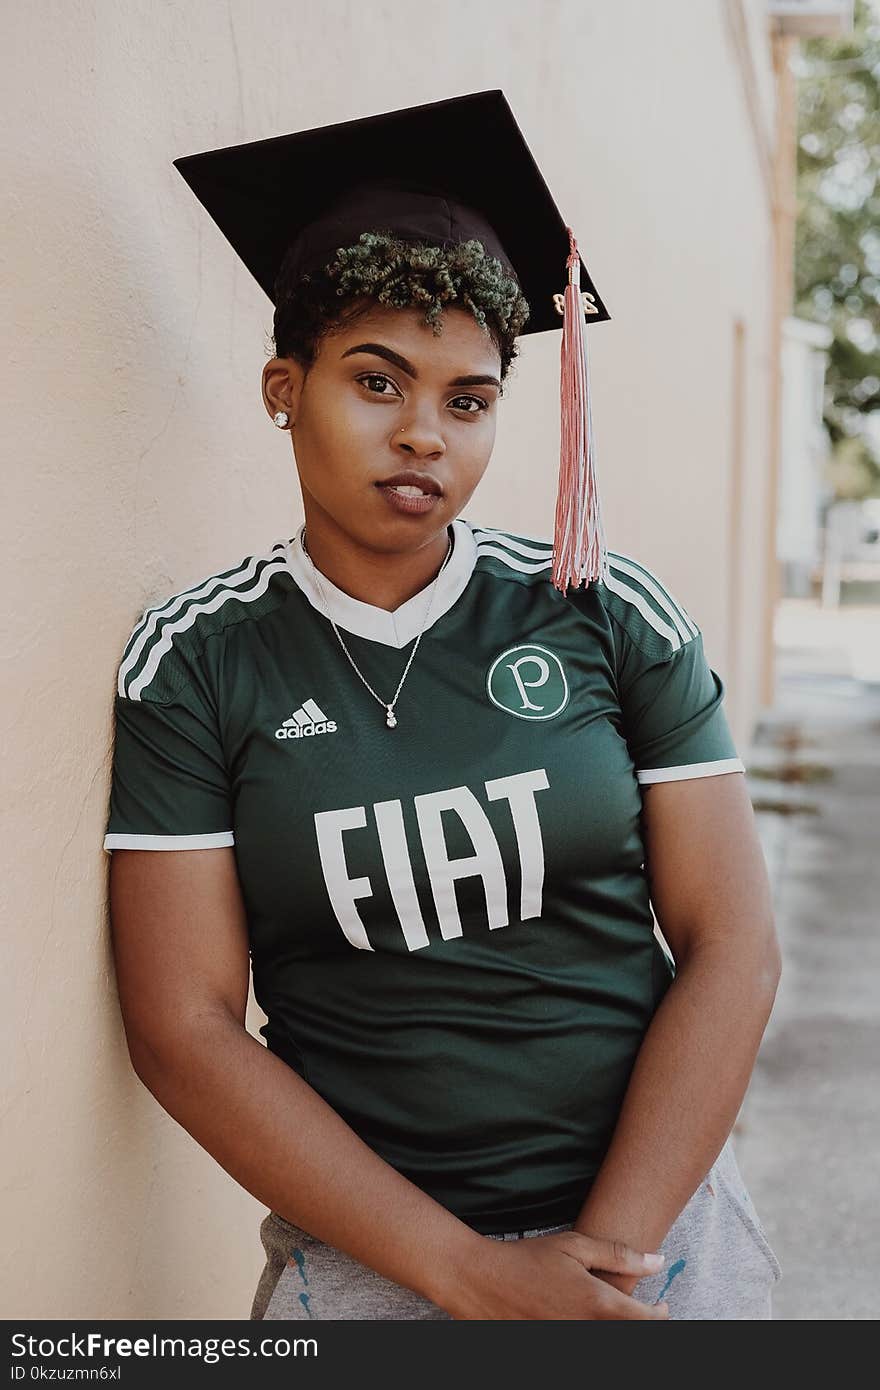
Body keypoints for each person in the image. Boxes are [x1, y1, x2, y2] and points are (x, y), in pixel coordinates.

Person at [103, 91, 783, 1320]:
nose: (424, 434)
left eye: (467, 401)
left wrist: (607, 1262)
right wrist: (470, 1273)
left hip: (655, 1236)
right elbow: (182, 1026)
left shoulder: (602, 610)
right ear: (282, 386)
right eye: (377, 380)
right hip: (377, 1257)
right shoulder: (198, 660)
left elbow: (732, 942)